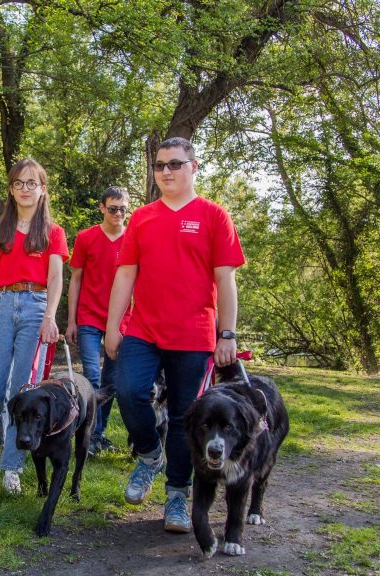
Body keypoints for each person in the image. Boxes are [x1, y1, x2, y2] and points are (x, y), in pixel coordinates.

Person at [104, 137, 245, 534]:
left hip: (195, 336)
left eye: (175, 164)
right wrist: (114, 326)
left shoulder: (215, 216)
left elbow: (226, 279)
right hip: (143, 329)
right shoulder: (143, 218)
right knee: (129, 390)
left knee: (188, 419)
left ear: (194, 167)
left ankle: (178, 496)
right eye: (160, 165)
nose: (166, 171)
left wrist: (227, 334)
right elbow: (125, 275)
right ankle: (150, 456)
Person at [0, 157, 69, 495]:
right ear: (11, 189)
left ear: (43, 189)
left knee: (21, 391)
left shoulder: (53, 233)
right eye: (19, 183)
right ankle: (3, 439)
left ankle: (12, 466)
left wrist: (50, 316)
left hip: (36, 306)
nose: (25, 189)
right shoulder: (1, 231)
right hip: (0, 305)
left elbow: (56, 278)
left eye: (32, 183)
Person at [65, 186, 132, 456]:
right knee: (92, 375)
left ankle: (99, 433)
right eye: (113, 208)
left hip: (121, 321)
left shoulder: (133, 238)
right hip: (89, 316)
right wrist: (71, 321)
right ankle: (88, 435)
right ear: (102, 208)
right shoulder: (86, 238)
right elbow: (76, 280)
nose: (118, 214)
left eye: (123, 209)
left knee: (111, 381)